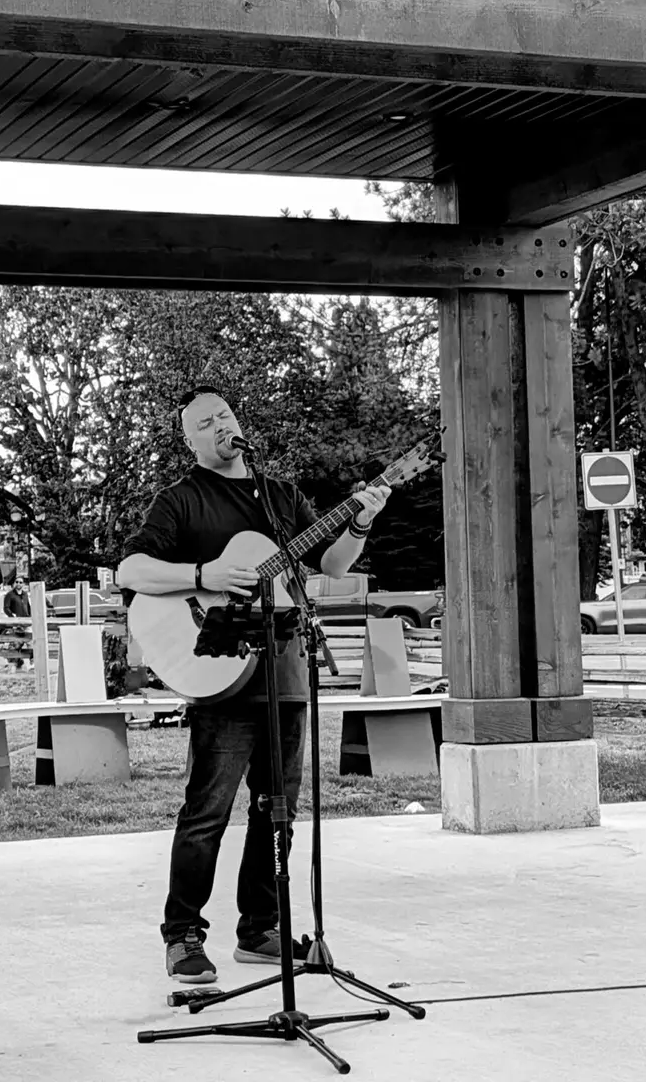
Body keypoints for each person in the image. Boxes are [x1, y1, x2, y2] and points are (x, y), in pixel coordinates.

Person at [115, 383, 390, 988]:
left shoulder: (279, 496)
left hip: (285, 672)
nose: (219, 426)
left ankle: (260, 929)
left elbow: (332, 564)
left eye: (224, 416)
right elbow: (129, 569)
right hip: (221, 675)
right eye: (204, 424)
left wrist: (360, 521)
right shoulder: (181, 500)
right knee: (207, 811)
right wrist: (205, 573)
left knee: (278, 811)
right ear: (190, 442)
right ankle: (183, 935)